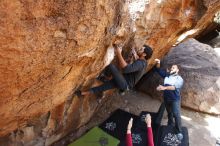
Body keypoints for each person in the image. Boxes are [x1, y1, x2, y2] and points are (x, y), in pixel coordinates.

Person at [75, 44, 153, 97]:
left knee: (111, 66)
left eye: (141, 49)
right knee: (104, 87)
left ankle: (106, 77)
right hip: (123, 82)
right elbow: (138, 61)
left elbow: (126, 69)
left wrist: (118, 52)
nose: (139, 49)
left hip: (125, 84)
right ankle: (82, 93)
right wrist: (135, 54)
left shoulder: (140, 64)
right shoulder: (144, 62)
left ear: (144, 54)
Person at [154, 59, 184, 140]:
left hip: (175, 99)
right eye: (171, 67)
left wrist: (164, 87)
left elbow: (174, 87)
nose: (171, 68)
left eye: (174, 68)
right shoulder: (167, 75)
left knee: (176, 114)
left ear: (177, 70)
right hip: (166, 98)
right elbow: (158, 70)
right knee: (169, 113)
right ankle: (170, 126)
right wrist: (158, 63)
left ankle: (179, 131)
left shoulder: (179, 79)